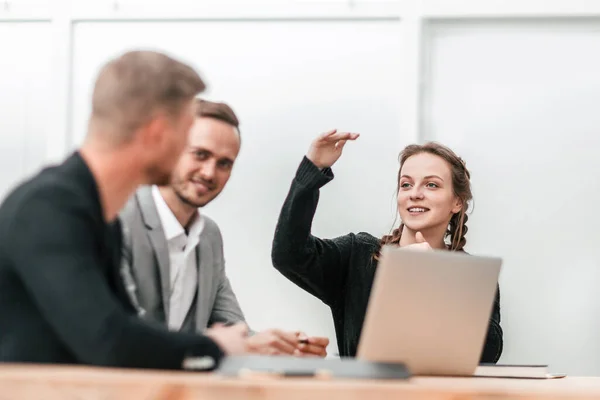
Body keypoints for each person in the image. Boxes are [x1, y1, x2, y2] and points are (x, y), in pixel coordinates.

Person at [0, 50, 250, 369]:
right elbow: (109, 340)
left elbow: (127, 331)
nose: (205, 169)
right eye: (186, 134)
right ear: (157, 133)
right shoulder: (47, 209)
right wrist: (213, 344)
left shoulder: (98, 215)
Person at [271, 129, 503, 362]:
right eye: (406, 185)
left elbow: (488, 353)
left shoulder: (471, 276)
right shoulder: (357, 255)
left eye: (431, 185)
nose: (415, 194)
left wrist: (434, 281)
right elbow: (289, 255)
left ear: (457, 202)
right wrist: (313, 170)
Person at [119, 99, 328, 356]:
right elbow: (122, 334)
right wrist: (244, 346)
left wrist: (283, 347)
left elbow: (234, 331)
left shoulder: (208, 236)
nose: (209, 173)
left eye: (224, 163)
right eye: (200, 154)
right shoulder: (118, 221)